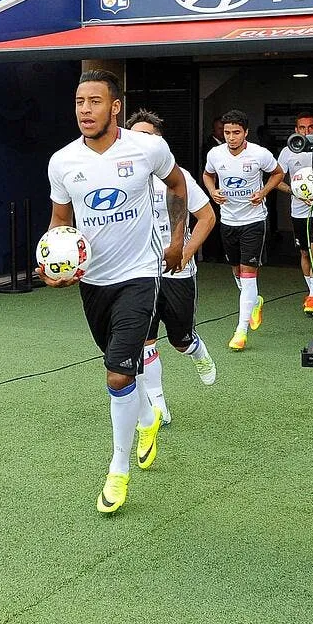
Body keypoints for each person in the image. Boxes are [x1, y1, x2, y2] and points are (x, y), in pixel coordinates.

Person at [43, 70, 189, 514]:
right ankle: (146, 418)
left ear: (115, 106)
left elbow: (178, 185)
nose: (85, 110)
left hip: (141, 274)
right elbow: (59, 221)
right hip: (93, 281)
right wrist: (54, 262)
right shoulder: (62, 161)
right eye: (79, 102)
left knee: (117, 373)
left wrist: (177, 238)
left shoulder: (147, 148)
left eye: (94, 101)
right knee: (119, 366)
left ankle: (118, 467)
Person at [127, 109, 218, 439]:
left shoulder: (177, 177)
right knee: (146, 342)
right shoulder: (123, 179)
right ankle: (158, 406)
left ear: (160, 142)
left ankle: (197, 350)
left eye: (148, 136)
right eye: (135, 136)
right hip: (139, 273)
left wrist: (185, 252)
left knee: (179, 339)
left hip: (177, 273)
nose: (142, 142)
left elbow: (207, 218)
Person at [202, 108, 284, 351]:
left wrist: (263, 193)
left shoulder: (259, 154)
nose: (231, 137)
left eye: (236, 132)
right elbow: (207, 175)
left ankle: (241, 330)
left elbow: (278, 173)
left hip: (254, 222)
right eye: (227, 132)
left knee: (248, 275)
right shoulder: (215, 154)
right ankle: (254, 301)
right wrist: (212, 191)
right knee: (237, 273)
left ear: (245, 133)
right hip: (228, 221)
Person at [276, 111, 313, 315]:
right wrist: (295, 191)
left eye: (310, 127)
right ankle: (312, 290)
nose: (306, 131)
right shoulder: (288, 151)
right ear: (296, 130)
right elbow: (276, 179)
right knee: (304, 253)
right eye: (302, 128)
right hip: (298, 210)